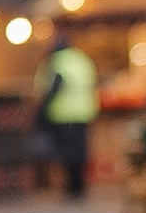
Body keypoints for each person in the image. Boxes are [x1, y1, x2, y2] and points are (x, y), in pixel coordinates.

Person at [36, 31, 101, 200]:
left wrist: (42, 111)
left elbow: (53, 88)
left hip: (63, 113)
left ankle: (72, 187)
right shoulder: (81, 59)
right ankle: (79, 185)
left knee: (67, 151)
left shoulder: (57, 62)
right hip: (84, 112)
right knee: (80, 149)